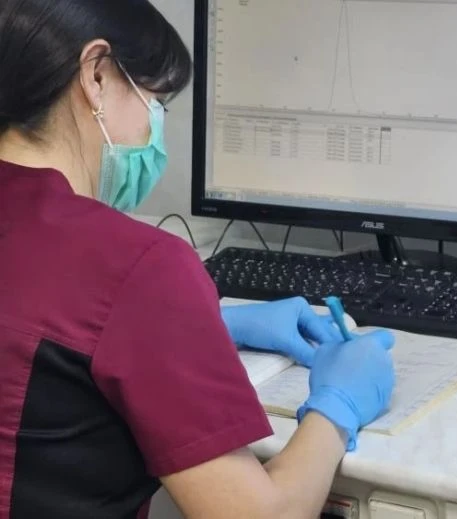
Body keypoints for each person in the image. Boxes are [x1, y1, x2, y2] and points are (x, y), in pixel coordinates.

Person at [0, 1, 396, 518]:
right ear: (96, 75)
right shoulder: (137, 265)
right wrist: (337, 405)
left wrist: (202, 326)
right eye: (155, 102)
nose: (154, 130)